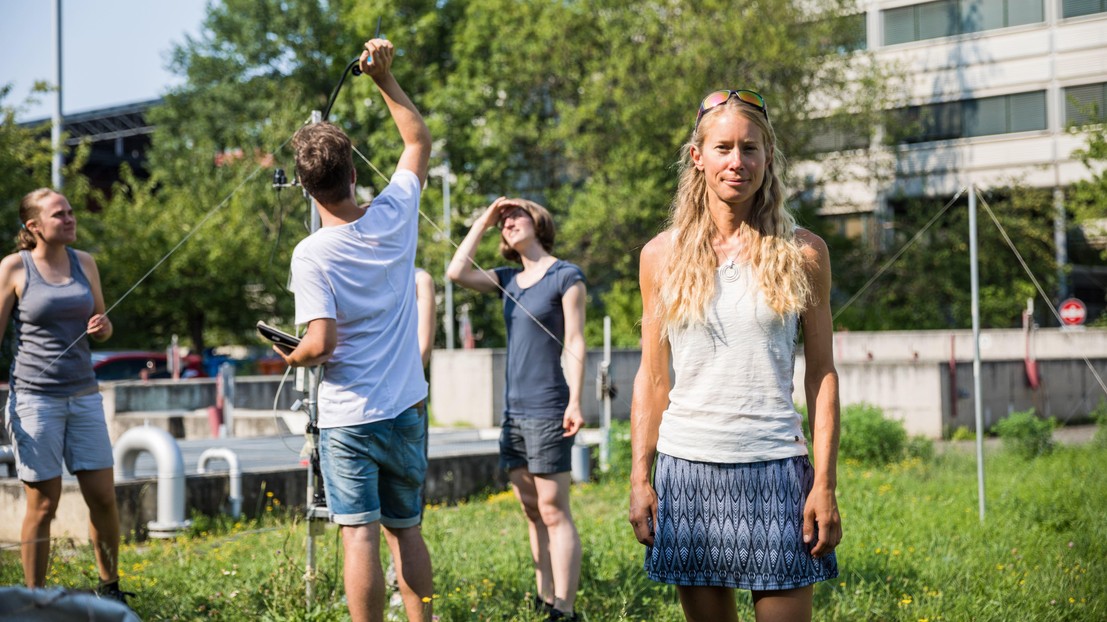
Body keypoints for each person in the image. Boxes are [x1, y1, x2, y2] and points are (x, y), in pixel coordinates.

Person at [627, 89, 842, 622]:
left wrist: (825, 483)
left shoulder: (804, 252)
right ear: (698, 156)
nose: (737, 162)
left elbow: (822, 375)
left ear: (768, 158)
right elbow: (653, 381)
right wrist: (639, 477)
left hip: (777, 470)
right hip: (689, 473)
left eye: (750, 148)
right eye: (723, 148)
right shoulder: (659, 256)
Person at [273, 37, 433, 622]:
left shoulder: (311, 254)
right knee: (407, 531)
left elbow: (322, 344)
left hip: (349, 417)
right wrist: (383, 78)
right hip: (406, 407)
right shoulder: (396, 211)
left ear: (306, 188)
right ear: (352, 170)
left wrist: (290, 356)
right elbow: (417, 139)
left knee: (358, 536)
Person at [447, 197, 586, 621]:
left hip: (549, 407)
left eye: (514, 215)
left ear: (537, 220)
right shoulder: (507, 278)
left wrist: (576, 400)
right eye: (502, 222)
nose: (508, 223)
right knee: (530, 510)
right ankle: (545, 598)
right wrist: (485, 218)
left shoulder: (566, 276)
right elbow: (456, 272)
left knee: (552, 509)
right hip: (513, 413)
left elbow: (577, 342)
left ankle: (565, 607)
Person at [0, 188, 130, 603]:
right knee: (43, 506)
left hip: (85, 395)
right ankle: (33, 600)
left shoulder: (85, 263)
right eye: (60, 214)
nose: (71, 218)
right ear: (34, 226)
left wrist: (102, 327)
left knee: (104, 498)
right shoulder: (13, 269)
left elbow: (104, 323)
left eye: (71, 211)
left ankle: (110, 589)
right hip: (34, 400)